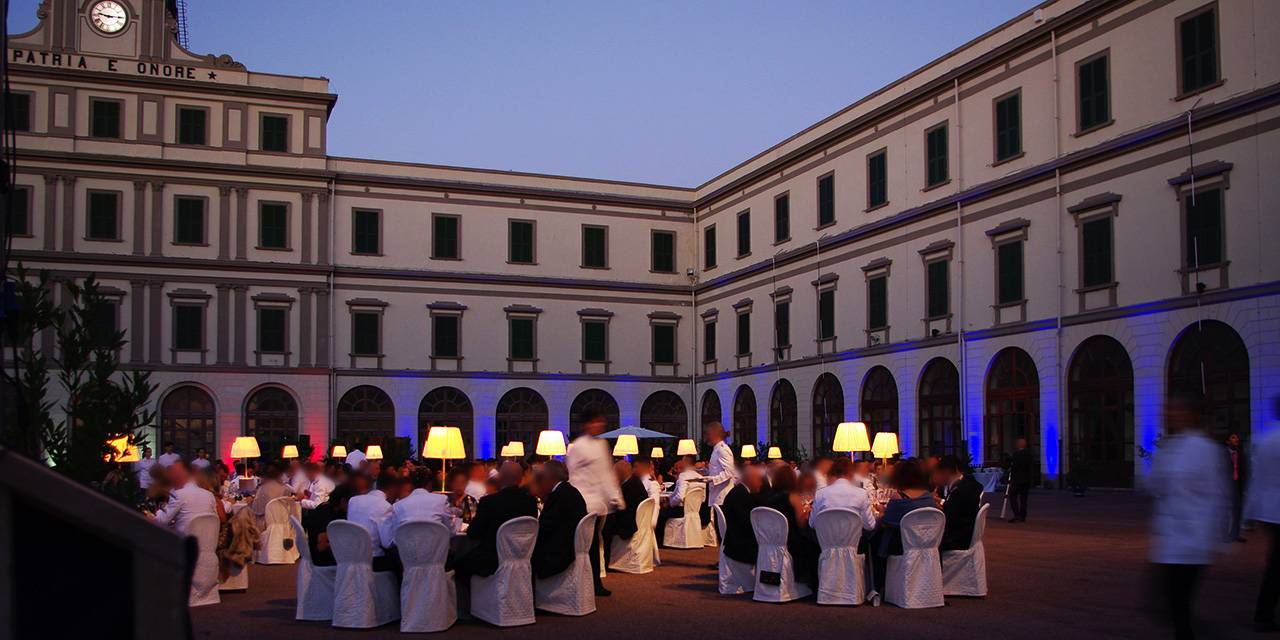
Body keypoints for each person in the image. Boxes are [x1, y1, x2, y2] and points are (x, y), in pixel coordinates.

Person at [1148, 393, 1230, 640]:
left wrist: (1216, 536)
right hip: (1169, 539)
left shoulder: (1206, 449)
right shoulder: (1169, 447)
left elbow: (1219, 494)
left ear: (1190, 414)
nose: (1170, 415)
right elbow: (1156, 486)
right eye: (1168, 411)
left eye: (1176, 410)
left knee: (1177, 601)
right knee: (1166, 602)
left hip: (1193, 539)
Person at [567, 410, 624, 596]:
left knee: (598, 543)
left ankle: (596, 580)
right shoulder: (577, 447)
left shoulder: (602, 444)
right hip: (583, 501)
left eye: (601, 422)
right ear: (586, 424)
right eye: (595, 422)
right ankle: (584, 582)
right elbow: (572, 475)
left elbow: (607, 473)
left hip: (600, 502)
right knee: (585, 544)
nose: (599, 426)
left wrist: (616, 497)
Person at [455, 461, 538, 579]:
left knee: (458, 564)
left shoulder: (489, 502)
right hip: (523, 561)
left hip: (493, 561)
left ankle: (477, 596)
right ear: (520, 480)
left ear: (500, 478)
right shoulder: (531, 503)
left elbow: (473, 533)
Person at [869, 460, 936, 588]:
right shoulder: (928, 497)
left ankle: (879, 585)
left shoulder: (898, 497)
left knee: (874, 538)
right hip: (926, 543)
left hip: (903, 545)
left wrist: (882, 512)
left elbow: (887, 522)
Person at [1247, 406, 1280, 632]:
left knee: (1275, 564)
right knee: (1276, 565)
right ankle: (1264, 614)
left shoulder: (1263, 438)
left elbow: (1255, 478)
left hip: (1268, 511)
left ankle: (1264, 612)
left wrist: (1248, 514)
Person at [763, 464, 820, 590]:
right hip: (791, 542)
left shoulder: (768, 497)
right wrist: (808, 511)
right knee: (816, 543)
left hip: (769, 541)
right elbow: (801, 523)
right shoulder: (792, 497)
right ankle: (812, 582)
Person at [532, 460, 589, 580]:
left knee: (523, 557)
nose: (540, 482)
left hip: (560, 553)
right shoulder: (571, 491)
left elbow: (544, 529)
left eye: (542, 478)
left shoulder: (558, 497)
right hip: (572, 547)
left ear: (549, 477)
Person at [382, 466, 455, 549]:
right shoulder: (441, 500)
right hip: (437, 557)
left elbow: (392, 538)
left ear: (411, 484)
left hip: (408, 558)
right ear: (430, 483)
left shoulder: (398, 506)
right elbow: (451, 532)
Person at [812, 457, 877, 536]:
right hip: (853, 544)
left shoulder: (820, 493)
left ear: (833, 473)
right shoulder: (861, 494)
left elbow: (812, 523)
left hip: (826, 545)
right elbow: (870, 526)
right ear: (852, 473)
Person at [603, 459, 650, 563]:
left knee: (603, 528)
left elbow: (622, 508)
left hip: (629, 524)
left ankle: (604, 560)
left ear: (620, 473)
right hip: (636, 521)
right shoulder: (635, 482)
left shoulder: (628, 487)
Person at [150, 462, 217, 535]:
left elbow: (161, 521)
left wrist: (153, 514)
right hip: (208, 543)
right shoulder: (209, 495)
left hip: (184, 543)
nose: (172, 477)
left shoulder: (178, 495)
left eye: (175, 474)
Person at [933, 455, 983, 551]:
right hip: (966, 533)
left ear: (946, 472)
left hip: (957, 539)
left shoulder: (959, 491)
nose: (935, 477)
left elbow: (950, 519)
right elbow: (956, 508)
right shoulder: (969, 484)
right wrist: (942, 502)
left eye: (937, 473)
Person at [345, 472, 394, 568]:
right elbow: (387, 543)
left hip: (351, 557)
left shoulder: (353, 500)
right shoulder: (385, 506)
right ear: (392, 488)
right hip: (373, 560)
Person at [721, 464, 767, 565]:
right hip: (740, 547)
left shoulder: (740, 492)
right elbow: (747, 523)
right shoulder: (741, 495)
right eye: (759, 479)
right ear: (750, 479)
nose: (761, 483)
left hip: (733, 542)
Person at [302, 484, 354, 567]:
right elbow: (322, 546)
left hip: (314, 555)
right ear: (343, 501)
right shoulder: (328, 515)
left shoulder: (324, 507)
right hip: (323, 561)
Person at [703, 422, 738, 507]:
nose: (706, 438)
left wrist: (713, 479)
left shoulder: (722, 449)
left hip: (722, 496)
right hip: (717, 495)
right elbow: (718, 470)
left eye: (708, 434)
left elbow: (729, 472)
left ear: (714, 434)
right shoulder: (717, 449)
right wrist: (705, 471)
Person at [1007, 437, 1036, 523]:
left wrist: (1011, 468)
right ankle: (1022, 516)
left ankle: (1017, 515)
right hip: (1026, 480)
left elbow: (1014, 466)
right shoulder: (1029, 455)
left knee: (1013, 497)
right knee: (1024, 499)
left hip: (1017, 480)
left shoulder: (1016, 455)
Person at [1226, 433, 1246, 543]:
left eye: (1237, 438)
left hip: (1237, 486)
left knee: (1237, 511)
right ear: (1228, 441)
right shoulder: (1224, 455)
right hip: (1226, 486)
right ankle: (1225, 534)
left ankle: (1235, 534)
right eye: (1233, 438)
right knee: (1226, 511)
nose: (1236, 440)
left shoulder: (1240, 454)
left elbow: (1244, 471)